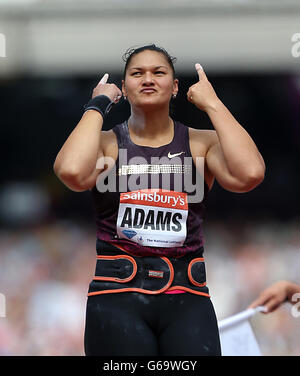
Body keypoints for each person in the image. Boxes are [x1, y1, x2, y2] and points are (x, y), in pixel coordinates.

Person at [53, 44, 265, 356]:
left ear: (176, 86)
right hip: (116, 299)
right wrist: (98, 104)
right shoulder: (105, 144)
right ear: (123, 89)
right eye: (137, 74)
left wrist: (214, 104)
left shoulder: (200, 143)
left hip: (187, 299)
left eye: (159, 72)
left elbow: (250, 174)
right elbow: (71, 172)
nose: (148, 79)